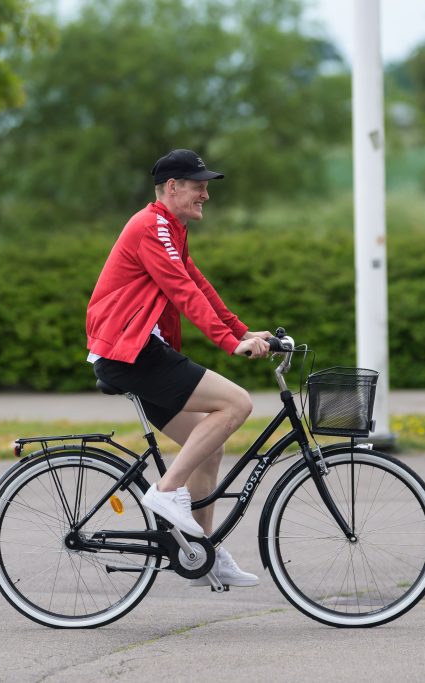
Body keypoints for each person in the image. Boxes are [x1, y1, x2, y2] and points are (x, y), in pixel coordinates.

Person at [86, 148, 272, 587]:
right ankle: (167, 492)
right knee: (236, 405)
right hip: (130, 353)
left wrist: (243, 331)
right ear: (172, 188)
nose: (206, 194)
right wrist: (230, 343)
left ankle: (200, 553)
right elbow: (182, 292)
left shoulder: (170, 229)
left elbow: (197, 285)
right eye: (198, 185)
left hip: (137, 353)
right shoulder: (151, 226)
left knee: (210, 446)